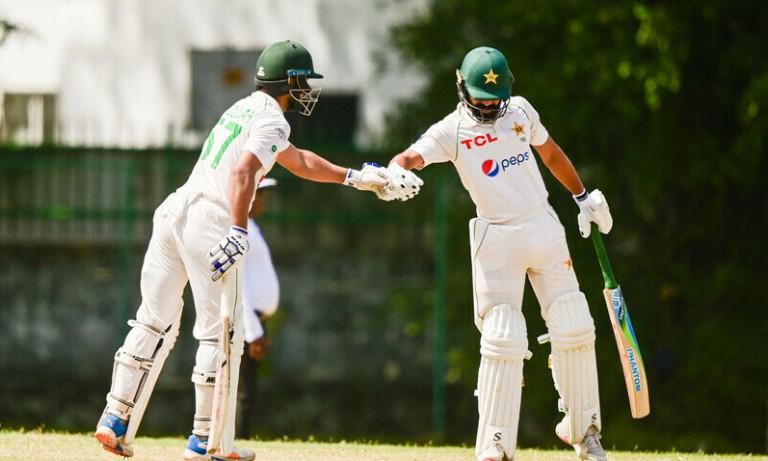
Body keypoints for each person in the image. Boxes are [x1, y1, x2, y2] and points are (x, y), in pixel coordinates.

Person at [94, 39, 423, 461]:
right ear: (289, 82)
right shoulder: (273, 120)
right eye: (304, 82)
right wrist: (237, 229)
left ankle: (115, 420)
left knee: (154, 322)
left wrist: (357, 177)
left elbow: (299, 161)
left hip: (173, 212)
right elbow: (244, 171)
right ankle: (205, 442)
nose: (308, 90)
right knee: (221, 333)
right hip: (209, 221)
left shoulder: (243, 108)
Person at [380, 46, 613, 461]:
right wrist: (397, 170)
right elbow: (409, 156)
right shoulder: (451, 130)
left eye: (494, 98)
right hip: (496, 239)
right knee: (503, 335)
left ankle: (585, 431)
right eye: (480, 98)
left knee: (574, 322)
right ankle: (495, 444)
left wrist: (581, 197)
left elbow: (551, 153)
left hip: (542, 224)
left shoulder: (520, 111)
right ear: (462, 89)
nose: (488, 106)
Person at [238, 177, 280, 437]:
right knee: (242, 390)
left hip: (254, 318)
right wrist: (253, 332)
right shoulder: (241, 228)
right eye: (259, 193)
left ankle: (236, 439)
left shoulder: (251, 227)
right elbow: (238, 283)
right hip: (246, 319)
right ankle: (233, 441)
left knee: (247, 389)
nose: (263, 199)